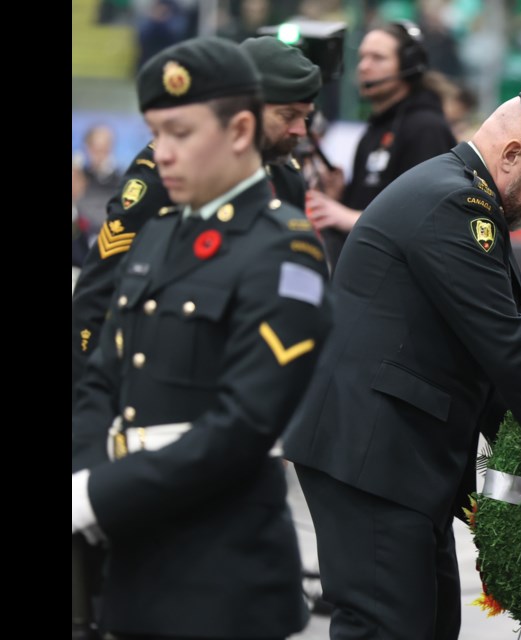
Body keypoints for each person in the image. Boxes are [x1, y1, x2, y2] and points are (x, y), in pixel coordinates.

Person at [283, 87, 521, 639]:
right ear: (511, 156)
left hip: (399, 457)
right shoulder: (456, 203)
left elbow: (476, 365)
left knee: (433, 624)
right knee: (387, 628)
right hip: (373, 456)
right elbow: (504, 345)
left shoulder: (461, 197)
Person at [71, 36, 333, 640]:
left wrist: (94, 494)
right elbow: (103, 374)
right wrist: (87, 477)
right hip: (134, 547)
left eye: (180, 133)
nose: (160, 153)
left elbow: (243, 424)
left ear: (240, 130)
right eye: (155, 133)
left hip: (222, 568)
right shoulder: (161, 235)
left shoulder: (283, 246)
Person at [71, 34, 325, 404]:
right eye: (287, 116)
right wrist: (84, 405)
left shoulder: (287, 177)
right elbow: (99, 294)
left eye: (305, 117)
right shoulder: (165, 174)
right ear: (244, 114)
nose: (299, 131)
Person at [305, 19, 457, 271]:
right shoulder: (376, 128)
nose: (364, 67)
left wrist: (346, 216)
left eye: (377, 58)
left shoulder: (426, 128)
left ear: (409, 65)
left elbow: (427, 221)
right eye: (362, 57)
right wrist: (341, 197)